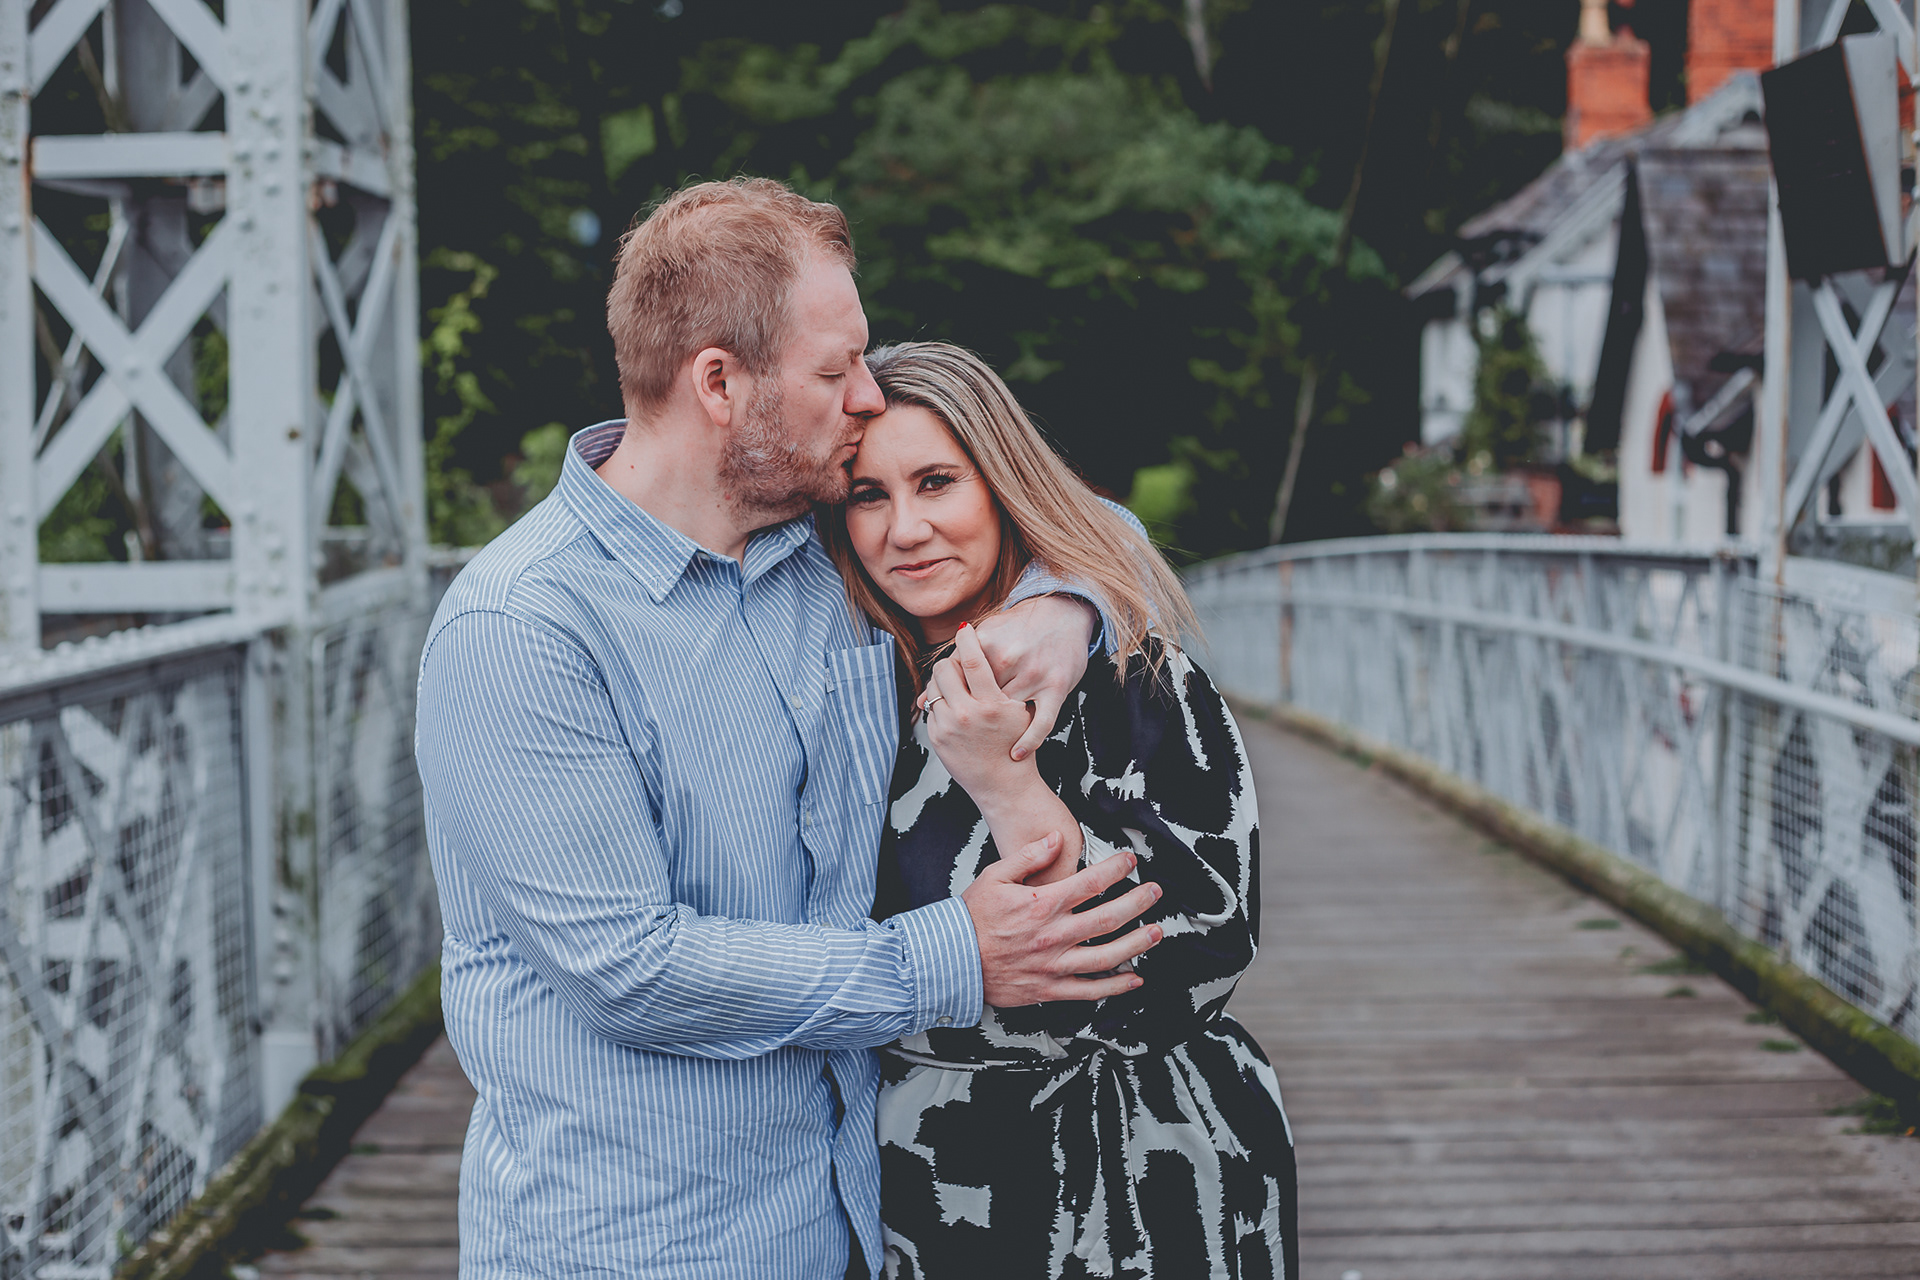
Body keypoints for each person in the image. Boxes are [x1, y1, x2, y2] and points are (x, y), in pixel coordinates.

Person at [413, 180, 1169, 1279]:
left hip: (860, 1216)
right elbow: (631, 965)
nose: (866, 395)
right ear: (719, 381)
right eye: (835, 370)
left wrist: (1065, 605)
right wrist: (954, 954)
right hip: (641, 1245)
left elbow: (1087, 522)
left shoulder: (827, 552)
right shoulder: (521, 627)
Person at [820, 342, 1296, 1279]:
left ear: (1002, 486)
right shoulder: (844, 692)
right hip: (928, 1181)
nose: (905, 529)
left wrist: (1006, 783)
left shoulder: (1135, 679)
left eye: (937, 482)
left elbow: (1194, 957)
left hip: (1148, 1170)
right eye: (869, 495)